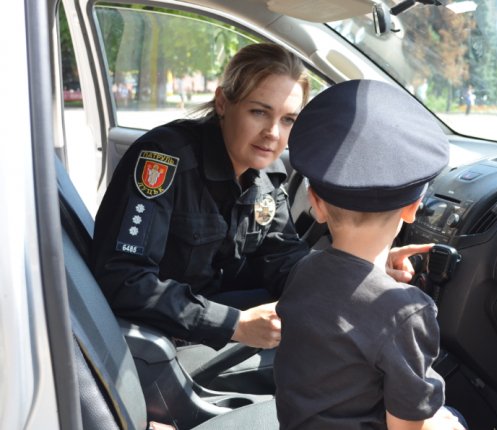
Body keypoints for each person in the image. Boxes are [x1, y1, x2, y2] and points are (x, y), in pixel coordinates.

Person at [91, 43, 434, 390]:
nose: (273, 132)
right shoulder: (165, 159)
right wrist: (234, 324)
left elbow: (284, 259)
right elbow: (123, 278)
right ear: (223, 102)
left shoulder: (266, 173)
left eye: (287, 120)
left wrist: (363, 266)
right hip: (158, 339)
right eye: (259, 112)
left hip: (211, 313)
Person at [275, 80, 465, 430]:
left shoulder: (305, 270)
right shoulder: (406, 312)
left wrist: (378, 279)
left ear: (315, 203)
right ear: (412, 209)